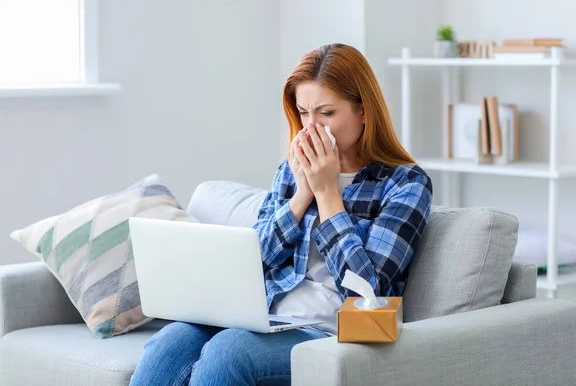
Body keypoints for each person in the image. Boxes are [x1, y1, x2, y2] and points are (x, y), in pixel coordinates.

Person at [129, 43, 433, 386]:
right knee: (170, 342)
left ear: (363, 111)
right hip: (272, 317)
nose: (311, 127)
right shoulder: (290, 171)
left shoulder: (406, 183)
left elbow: (367, 290)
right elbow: (256, 260)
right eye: (304, 112)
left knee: (229, 351)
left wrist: (327, 192)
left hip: (336, 333)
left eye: (327, 113)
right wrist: (301, 196)